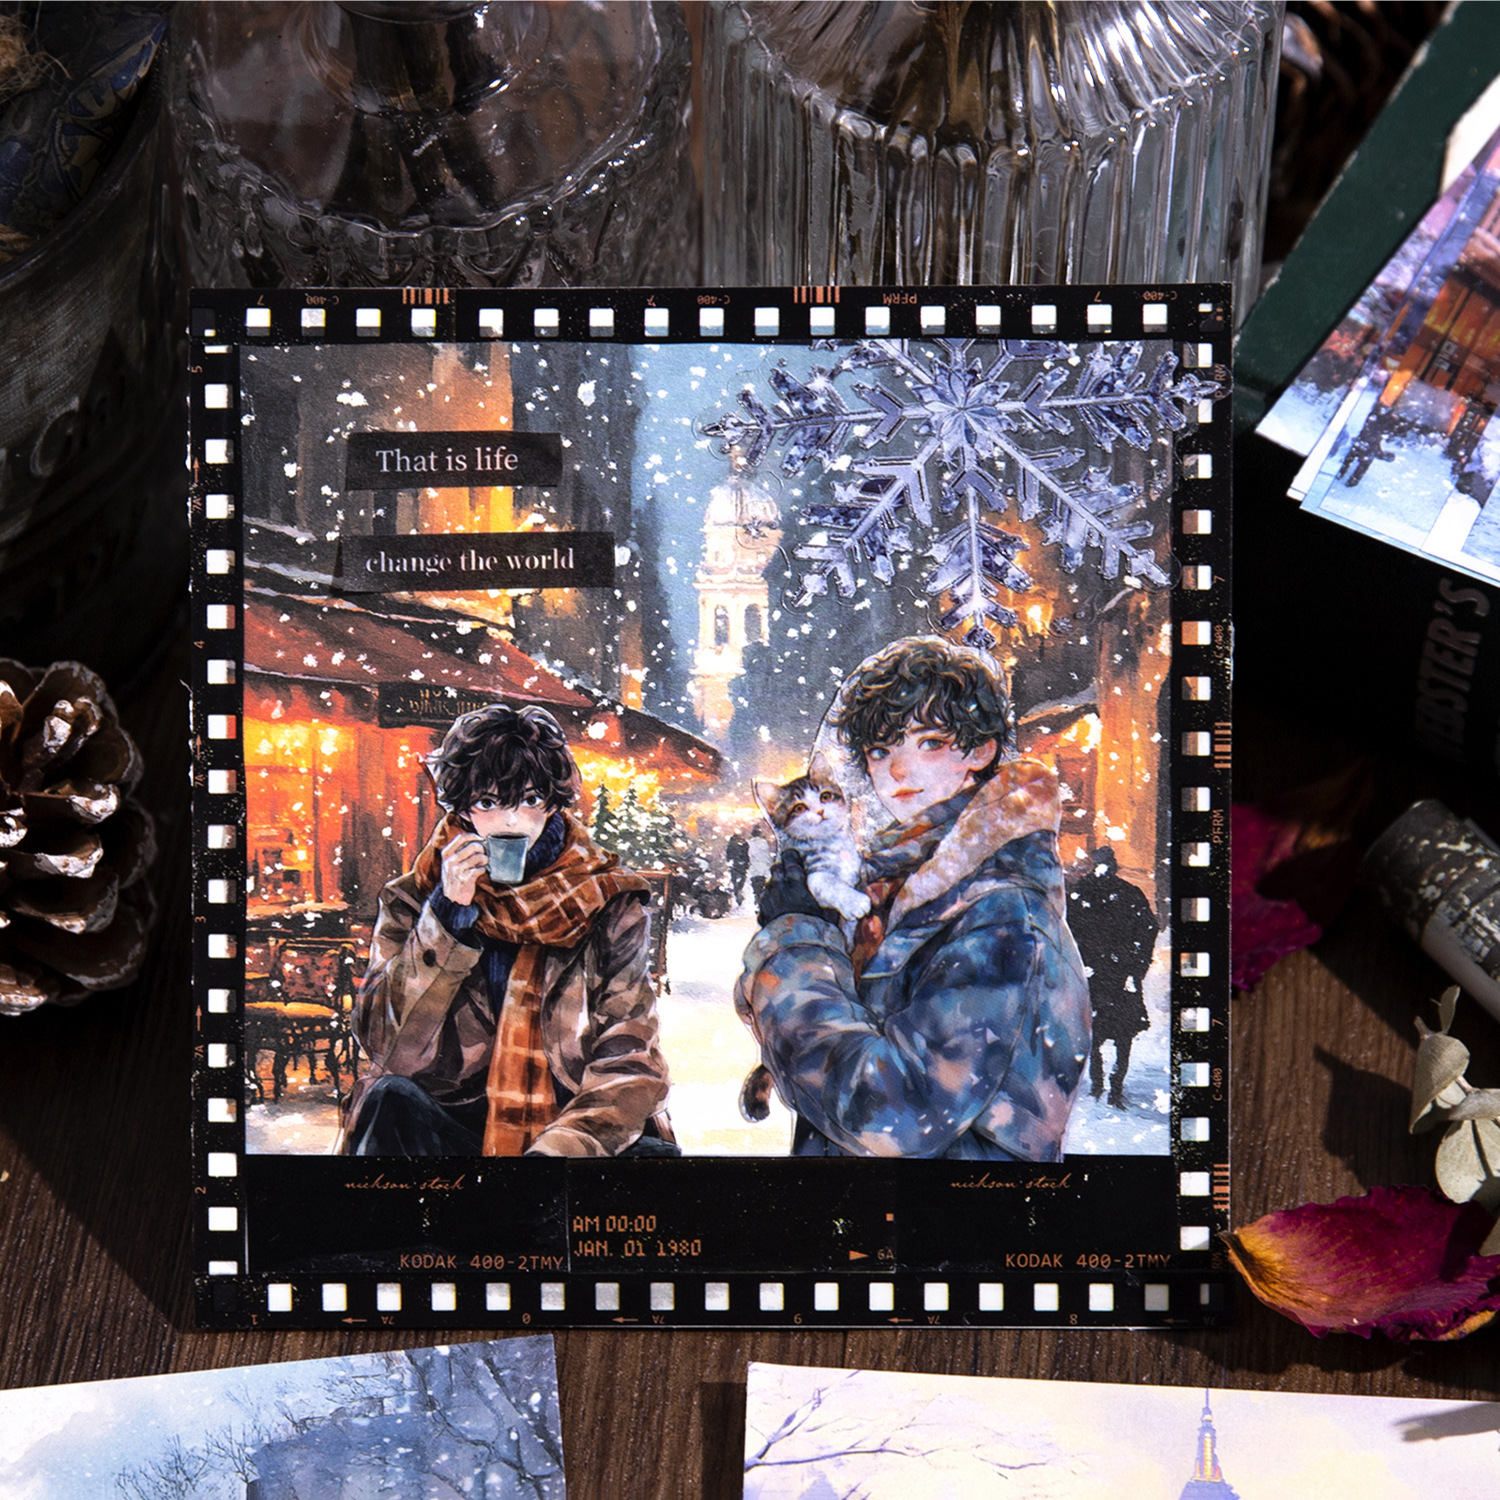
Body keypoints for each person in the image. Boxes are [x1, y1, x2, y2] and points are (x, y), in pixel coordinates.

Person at [734, 636, 1091, 1161]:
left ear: (981, 750)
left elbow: (894, 1114)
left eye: (928, 743)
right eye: (881, 751)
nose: (897, 771)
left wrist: (795, 946)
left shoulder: (1001, 914)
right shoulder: (896, 881)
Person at [342, 703, 675, 1157]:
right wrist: (445, 918)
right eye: (488, 802)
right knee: (388, 1101)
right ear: (463, 811)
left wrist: (560, 1149)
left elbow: (630, 1059)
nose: (512, 821)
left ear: (553, 803)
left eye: (531, 800)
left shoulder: (606, 900)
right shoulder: (416, 896)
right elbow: (389, 1048)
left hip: (574, 1125)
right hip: (453, 1123)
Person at [1066, 846, 1158, 1109]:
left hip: (1101, 974)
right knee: (1116, 1035)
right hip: (1113, 974)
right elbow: (1148, 929)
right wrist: (1136, 966)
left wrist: (1079, 963)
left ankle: (1104, 1086)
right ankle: (1109, 1087)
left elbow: (1148, 929)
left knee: (1099, 1033)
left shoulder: (1082, 893)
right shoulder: (1127, 893)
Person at [725, 830, 751, 904]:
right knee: (741, 879)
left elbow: (728, 857)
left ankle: (737, 891)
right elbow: (746, 854)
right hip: (741, 866)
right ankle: (738, 890)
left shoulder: (730, 847)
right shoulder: (741, 847)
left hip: (735, 866)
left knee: (735, 880)